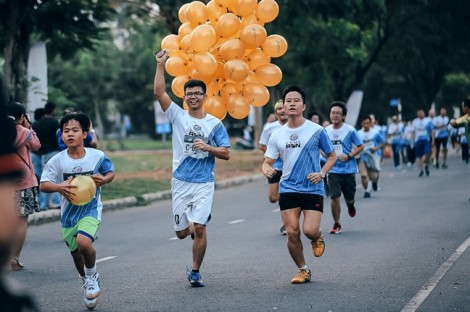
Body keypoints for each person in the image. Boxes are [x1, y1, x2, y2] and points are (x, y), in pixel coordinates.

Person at [154, 49, 231, 287]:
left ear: (205, 97)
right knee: (181, 232)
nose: (193, 97)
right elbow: (159, 91)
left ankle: (195, 271)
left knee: (200, 227)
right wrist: (160, 65)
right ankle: (189, 225)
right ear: (185, 97)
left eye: (198, 93)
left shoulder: (214, 123)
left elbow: (226, 153)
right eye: (189, 94)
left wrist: (208, 147)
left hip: (204, 182)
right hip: (180, 181)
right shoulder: (177, 116)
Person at [40, 113, 115, 310]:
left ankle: (92, 275)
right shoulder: (57, 160)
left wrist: (105, 179)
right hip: (68, 216)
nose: (70, 134)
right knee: (75, 254)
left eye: (75, 130)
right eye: (66, 131)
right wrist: (59, 187)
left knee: (84, 242)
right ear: (61, 135)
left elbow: (110, 172)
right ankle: (86, 280)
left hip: (90, 209)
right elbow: (43, 184)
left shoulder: (96, 156)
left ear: (84, 134)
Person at [262, 86, 336, 284]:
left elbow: (331, 156)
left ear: (303, 106)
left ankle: (317, 237)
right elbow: (267, 160)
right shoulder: (277, 135)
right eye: (288, 100)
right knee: (292, 232)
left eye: (296, 100)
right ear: (283, 106)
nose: (292, 103)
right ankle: (303, 269)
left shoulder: (317, 131)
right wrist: (265, 168)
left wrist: (322, 173)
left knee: (309, 230)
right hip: (288, 188)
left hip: (312, 187)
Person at [6, 102, 41, 271]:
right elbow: (36, 146)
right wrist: (29, 126)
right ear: (21, 117)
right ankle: (14, 258)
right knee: (21, 222)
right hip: (23, 182)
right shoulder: (24, 132)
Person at [325, 102, 364, 234]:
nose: (334, 115)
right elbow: (320, 148)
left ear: (343, 116)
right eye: (332, 113)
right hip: (333, 170)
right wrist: (326, 154)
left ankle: (351, 205)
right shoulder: (325, 131)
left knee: (349, 198)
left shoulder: (350, 130)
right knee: (334, 197)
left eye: (338, 113)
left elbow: (360, 146)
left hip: (348, 169)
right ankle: (337, 223)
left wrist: (349, 156)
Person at [259, 99, 288, 235]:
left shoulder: (294, 126)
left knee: (286, 196)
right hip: (275, 167)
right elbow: (262, 145)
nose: (282, 111)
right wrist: (273, 155)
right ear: (276, 113)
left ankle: (285, 224)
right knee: (273, 198)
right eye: (279, 109)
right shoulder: (270, 128)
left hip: (290, 167)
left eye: (284, 108)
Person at [32, 101, 61, 210]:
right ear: (53, 110)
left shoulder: (38, 124)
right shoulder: (55, 123)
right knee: (56, 177)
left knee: (44, 179)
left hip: (43, 154)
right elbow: (60, 138)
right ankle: (55, 201)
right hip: (54, 152)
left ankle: (43, 204)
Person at [357, 116, 386, 198]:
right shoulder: (358, 133)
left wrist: (376, 148)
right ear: (361, 124)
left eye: (367, 123)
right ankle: (367, 191)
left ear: (370, 123)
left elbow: (383, 142)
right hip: (363, 156)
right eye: (364, 123)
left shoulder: (375, 133)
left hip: (374, 156)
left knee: (373, 176)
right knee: (363, 175)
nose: (366, 125)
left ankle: (374, 183)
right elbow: (354, 144)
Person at [411, 108, 433, 177]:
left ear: (424, 114)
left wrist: (433, 140)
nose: (421, 115)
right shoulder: (415, 121)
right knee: (419, 156)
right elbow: (413, 132)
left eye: (422, 113)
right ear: (417, 115)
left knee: (427, 154)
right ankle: (421, 170)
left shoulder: (428, 121)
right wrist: (412, 142)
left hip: (426, 140)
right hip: (418, 140)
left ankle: (426, 165)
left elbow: (432, 131)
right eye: (419, 114)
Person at [31, 107, 45, 181]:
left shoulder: (33, 125)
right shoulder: (42, 125)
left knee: (37, 174)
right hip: (41, 152)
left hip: (34, 153)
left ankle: (38, 191)